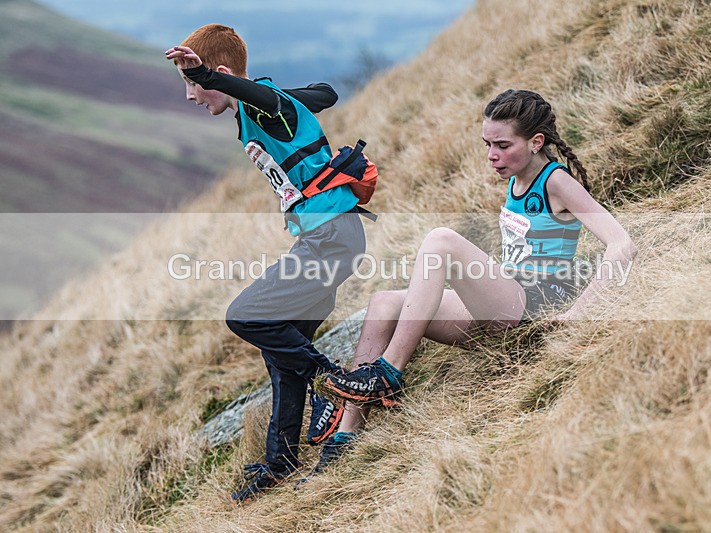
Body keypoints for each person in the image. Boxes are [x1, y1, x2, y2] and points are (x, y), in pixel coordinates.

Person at [313, 89, 638, 475]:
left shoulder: (556, 181)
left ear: (536, 142)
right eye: (487, 144)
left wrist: (579, 314)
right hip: (503, 305)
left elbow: (622, 245)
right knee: (383, 303)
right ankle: (344, 439)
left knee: (441, 241)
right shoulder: (517, 177)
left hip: (535, 308)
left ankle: (388, 372)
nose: (491, 155)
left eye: (502, 145)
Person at [165, 24, 372, 502]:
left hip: (330, 238)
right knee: (283, 351)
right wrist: (268, 92)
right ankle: (281, 460)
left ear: (217, 75)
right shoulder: (265, 105)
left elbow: (311, 95)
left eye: (192, 84)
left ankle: (335, 383)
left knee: (245, 315)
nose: (191, 97)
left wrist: (214, 79)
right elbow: (324, 93)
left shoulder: (268, 108)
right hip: (328, 239)